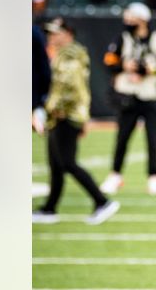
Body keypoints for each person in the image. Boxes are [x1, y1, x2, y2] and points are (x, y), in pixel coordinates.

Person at [33, 19, 120, 225]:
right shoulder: (62, 54)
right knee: (56, 164)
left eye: (56, 33)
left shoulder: (71, 55)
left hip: (66, 115)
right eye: (50, 33)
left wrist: (55, 110)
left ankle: (102, 201)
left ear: (68, 34)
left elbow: (70, 88)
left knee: (67, 163)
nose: (52, 37)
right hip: (60, 115)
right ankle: (50, 208)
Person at [100, 2, 156, 196]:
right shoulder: (122, 39)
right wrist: (125, 66)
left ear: (143, 20)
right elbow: (108, 62)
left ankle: (154, 178)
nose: (127, 21)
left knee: (153, 140)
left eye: (131, 17)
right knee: (122, 138)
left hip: (151, 95)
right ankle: (115, 175)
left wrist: (149, 69)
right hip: (128, 96)